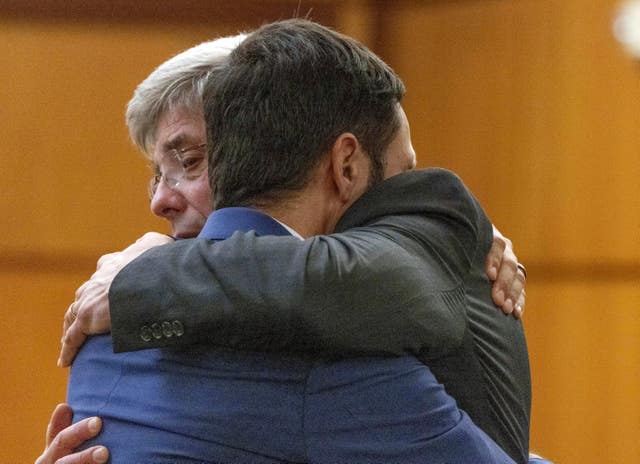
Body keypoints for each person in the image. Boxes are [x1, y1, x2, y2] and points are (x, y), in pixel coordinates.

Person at [37, 22, 532, 464]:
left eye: (190, 161)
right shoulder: (332, 365)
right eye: (158, 173)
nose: (160, 201)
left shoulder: (103, 331)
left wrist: (143, 276)